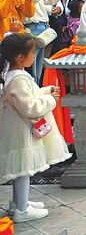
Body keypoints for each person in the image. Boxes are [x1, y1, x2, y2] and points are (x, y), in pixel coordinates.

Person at [0, 33, 71, 223]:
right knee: (22, 169)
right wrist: (50, 100)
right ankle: (22, 209)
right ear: (20, 57)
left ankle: (19, 203)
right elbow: (29, 107)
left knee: (21, 169)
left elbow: (27, 96)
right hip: (20, 130)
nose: (34, 56)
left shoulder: (15, 75)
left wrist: (46, 91)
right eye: (32, 53)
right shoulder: (18, 78)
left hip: (17, 127)